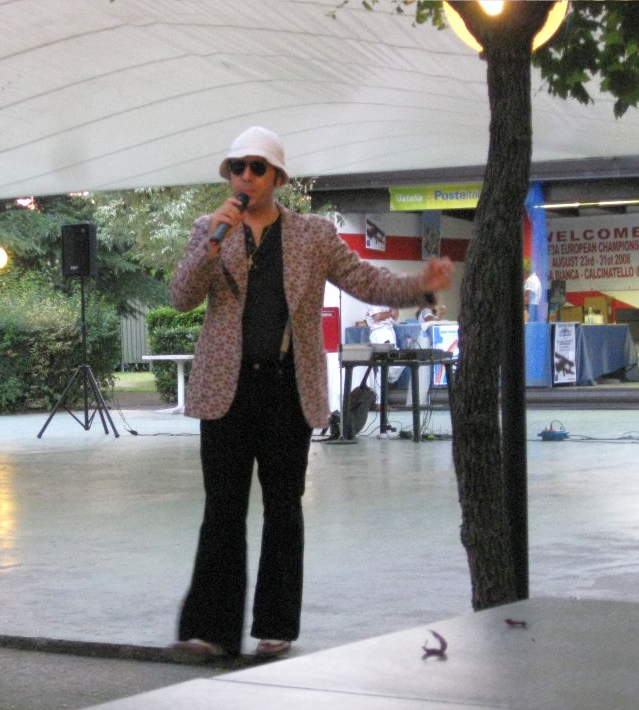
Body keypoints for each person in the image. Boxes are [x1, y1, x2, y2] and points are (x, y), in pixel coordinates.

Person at [169, 126, 451, 659]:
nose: (245, 176)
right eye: (237, 167)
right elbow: (182, 296)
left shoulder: (312, 235)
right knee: (222, 508)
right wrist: (213, 244)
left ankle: (276, 626)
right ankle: (210, 629)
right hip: (226, 389)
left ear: (277, 177)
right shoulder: (209, 228)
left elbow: (365, 281)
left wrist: (419, 284)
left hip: (286, 388)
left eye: (257, 167)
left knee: (283, 508)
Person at [364, 305, 405, 405]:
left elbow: (395, 315)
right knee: (382, 367)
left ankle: (384, 399)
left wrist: (391, 311)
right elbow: (377, 316)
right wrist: (390, 313)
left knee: (397, 363)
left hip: (389, 331)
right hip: (379, 333)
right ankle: (380, 402)